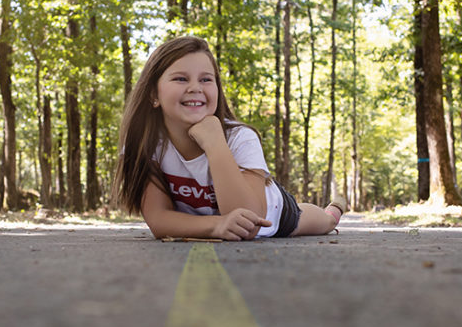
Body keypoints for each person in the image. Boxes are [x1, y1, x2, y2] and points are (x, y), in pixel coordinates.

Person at [113, 36, 345, 241]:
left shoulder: (241, 138)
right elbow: (159, 220)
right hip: (209, 221)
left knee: (322, 223)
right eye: (181, 79)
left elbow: (250, 218)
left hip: (274, 212)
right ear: (154, 94)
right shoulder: (145, 143)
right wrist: (217, 225)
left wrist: (214, 144)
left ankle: (334, 210)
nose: (195, 87)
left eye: (206, 79)